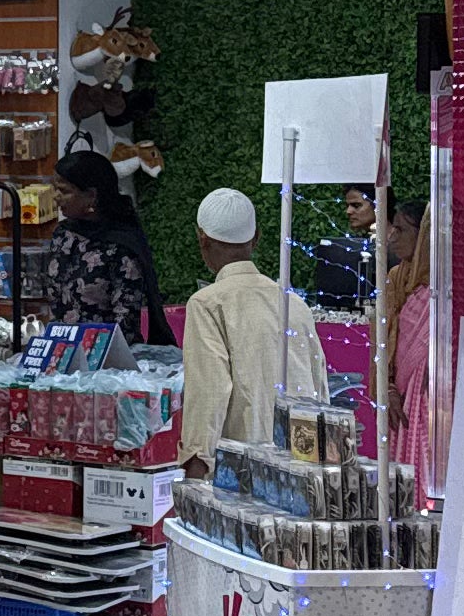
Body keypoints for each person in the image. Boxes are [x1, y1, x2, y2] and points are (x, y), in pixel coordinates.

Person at [181, 185, 328, 448]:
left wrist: (196, 455)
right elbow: (319, 385)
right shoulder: (294, 303)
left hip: (242, 459)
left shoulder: (207, 303)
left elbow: (208, 393)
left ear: (202, 238)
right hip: (301, 454)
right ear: (257, 237)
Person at [31, 148, 160, 340]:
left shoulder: (121, 246)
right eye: (55, 188)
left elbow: (125, 322)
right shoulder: (63, 234)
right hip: (63, 345)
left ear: (91, 195)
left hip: (108, 350)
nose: (56, 196)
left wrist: (92, 350)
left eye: (64, 191)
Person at [375, 192, 434, 480]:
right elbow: (381, 339)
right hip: (399, 398)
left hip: (427, 398)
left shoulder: (442, 288)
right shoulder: (396, 278)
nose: (392, 237)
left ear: (424, 236)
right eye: (392, 229)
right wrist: (387, 387)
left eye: (401, 230)